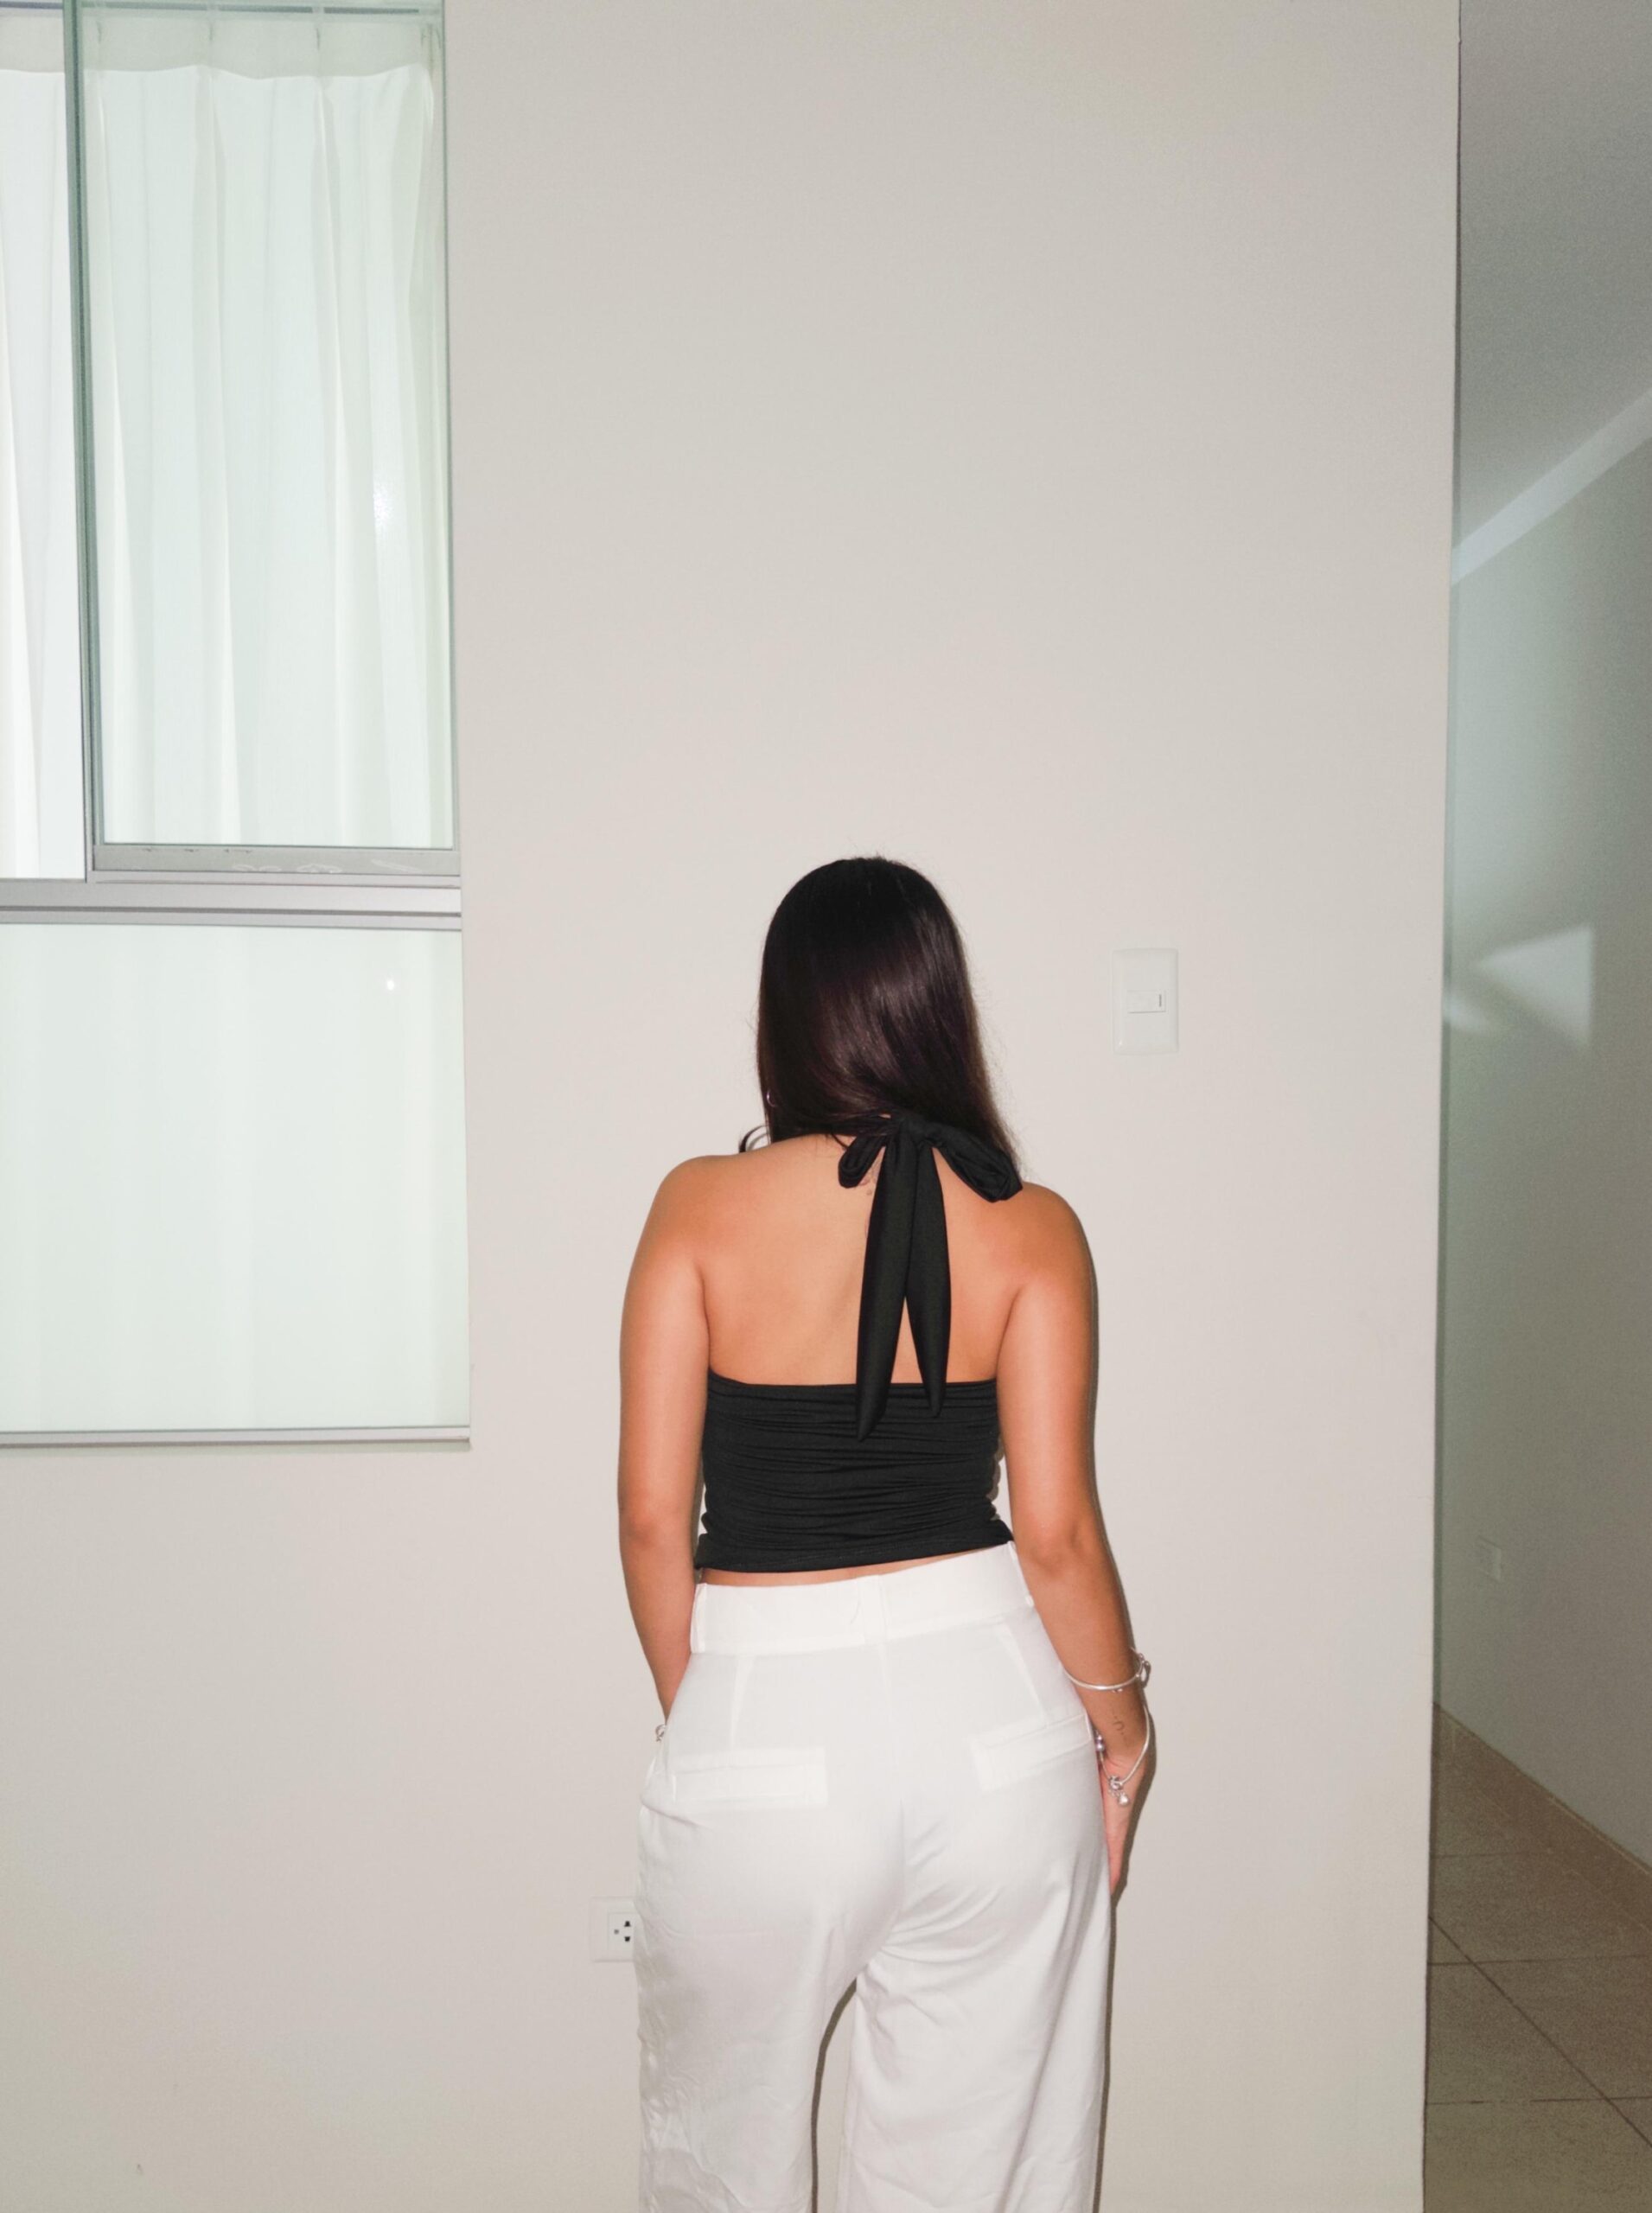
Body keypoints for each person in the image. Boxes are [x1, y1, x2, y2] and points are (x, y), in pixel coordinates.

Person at [618, 854, 1153, 2213]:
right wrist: (1125, 1728)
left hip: (764, 1721)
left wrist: (711, 1711)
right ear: (939, 1011)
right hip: (996, 1735)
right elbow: (1056, 1532)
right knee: (975, 2177)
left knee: (719, 2168)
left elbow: (649, 1517)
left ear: (783, 1019)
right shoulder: (1033, 1226)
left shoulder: (698, 1205)